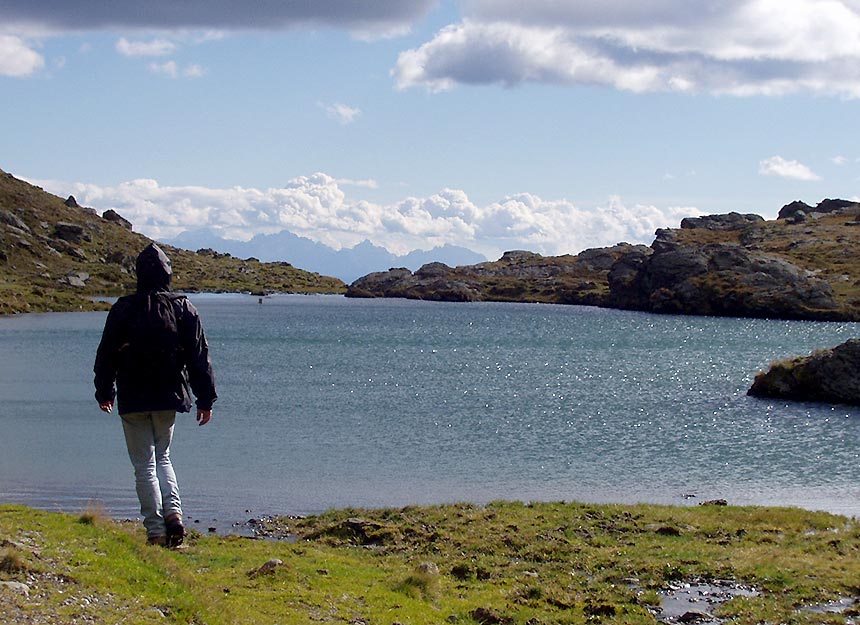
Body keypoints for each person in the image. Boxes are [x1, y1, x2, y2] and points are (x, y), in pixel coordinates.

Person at [94, 242, 217, 547]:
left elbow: (106, 354)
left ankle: (155, 530)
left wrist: (104, 391)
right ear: (167, 273)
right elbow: (199, 356)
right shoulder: (183, 307)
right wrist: (206, 399)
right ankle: (174, 513)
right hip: (169, 396)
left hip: (133, 398)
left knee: (144, 464)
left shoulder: (123, 308)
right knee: (162, 457)